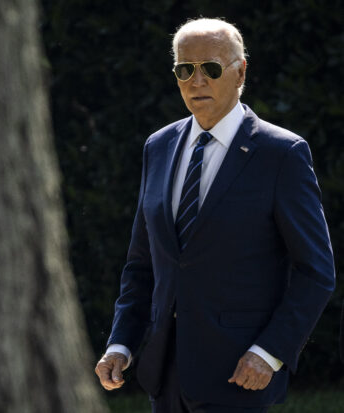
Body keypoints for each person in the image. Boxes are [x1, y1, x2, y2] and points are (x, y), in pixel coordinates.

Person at [94, 18, 335, 412]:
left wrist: (270, 351)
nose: (196, 81)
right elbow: (142, 264)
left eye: (211, 68)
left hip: (240, 376)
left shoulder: (281, 154)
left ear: (241, 71)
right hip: (165, 377)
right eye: (185, 69)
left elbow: (317, 271)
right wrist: (121, 344)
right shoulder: (158, 146)